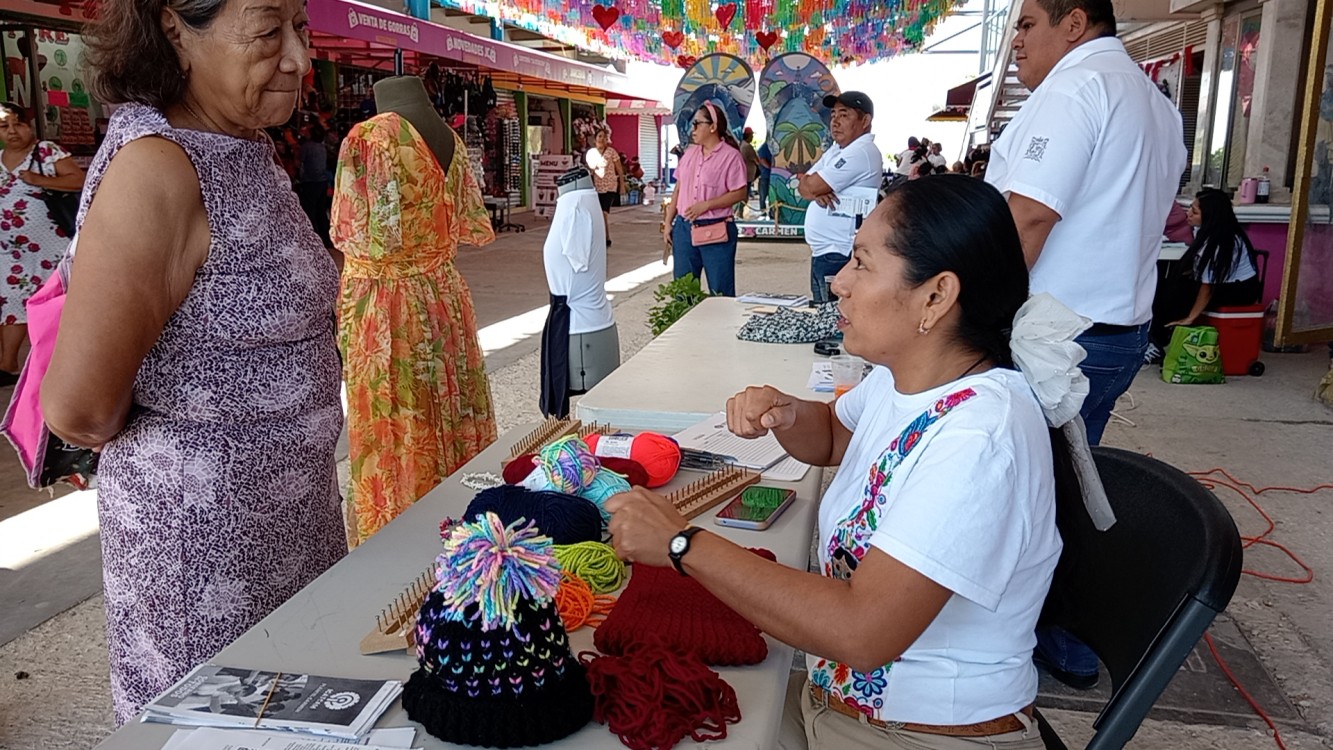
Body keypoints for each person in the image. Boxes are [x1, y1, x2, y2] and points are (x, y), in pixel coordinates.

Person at [608, 176, 1066, 750]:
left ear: (936, 296)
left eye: (861, 263)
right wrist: (786, 412)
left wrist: (682, 545)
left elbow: (863, 630)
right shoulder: (908, 377)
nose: (837, 281)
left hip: (923, 734)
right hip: (833, 702)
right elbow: (832, 436)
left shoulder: (979, 438)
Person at [42, 0, 347, 724]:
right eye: (268, 31)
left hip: (289, 530)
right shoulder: (157, 168)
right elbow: (79, 409)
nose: (299, 59)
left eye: (300, 29)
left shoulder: (239, 146)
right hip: (204, 564)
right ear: (176, 28)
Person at [985, 0, 1186, 690]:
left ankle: (1017, 635)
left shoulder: (1077, 85)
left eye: (1026, 24)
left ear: (1074, 24)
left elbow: (1030, 213)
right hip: (1113, 330)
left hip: (1053, 335)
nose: (1015, 42)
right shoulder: (1155, 103)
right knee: (1064, 485)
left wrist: (968, 307)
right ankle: (1062, 633)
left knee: (1018, 493)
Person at [333, 75, 497, 543]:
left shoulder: (370, 138)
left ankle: (399, 543)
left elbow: (359, 236)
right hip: (442, 295)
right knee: (448, 416)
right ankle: (462, 530)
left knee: (397, 430)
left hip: (388, 308)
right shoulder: (449, 138)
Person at [0, 101, 84, 383]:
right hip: (9, 250)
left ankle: (55, 364)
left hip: (50, 245)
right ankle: (7, 363)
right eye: (4, 126)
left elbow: (78, 180)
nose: (12, 131)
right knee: (12, 302)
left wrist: (38, 179)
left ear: (30, 125)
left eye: (18, 124)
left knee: (52, 301)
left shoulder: (46, 152)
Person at [1148, 189, 1261, 357]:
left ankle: (1157, 342)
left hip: (1239, 291)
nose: (1188, 213)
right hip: (1224, 286)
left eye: (1194, 211)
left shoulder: (1221, 241)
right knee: (1167, 285)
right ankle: (1156, 338)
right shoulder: (1208, 233)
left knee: (1174, 293)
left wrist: (1191, 318)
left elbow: (1207, 287)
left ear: (1209, 216)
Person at [799, 91, 883, 304]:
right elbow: (803, 186)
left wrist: (815, 187)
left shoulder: (861, 151)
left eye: (844, 115)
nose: (835, 121)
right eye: (833, 114)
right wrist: (813, 187)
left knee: (835, 321)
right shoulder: (837, 150)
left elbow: (813, 185)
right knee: (822, 317)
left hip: (839, 253)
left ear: (865, 120)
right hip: (826, 252)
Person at [662, 101, 747, 296]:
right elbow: (678, 189)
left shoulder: (731, 157)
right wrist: (668, 222)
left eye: (697, 124)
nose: (693, 129)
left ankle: (720, 326)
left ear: (713, 127)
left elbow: (740, 193)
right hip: (684, 227)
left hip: (716, 228)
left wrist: (707, 205)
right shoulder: (689, 154)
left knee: (720, 291)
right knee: (683, 290)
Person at [585, 128, 624, 246]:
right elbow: (591, 169)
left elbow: (619, 169)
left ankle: (606, 237)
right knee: (599, 213)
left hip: (610, 186)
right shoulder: (591, 153)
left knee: (604, 213)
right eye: (600, 136)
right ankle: (603, 236)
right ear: (595, 139)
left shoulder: (612, 152)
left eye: (604, 137)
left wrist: (622, 185)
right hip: (597, 187)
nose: (602, 139)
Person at [297, 123, 330, 247]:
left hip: (310, 182)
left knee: (310, 211)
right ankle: (326, 239)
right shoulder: (322, 147)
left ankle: (314, 240)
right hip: (322, 182)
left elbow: (299, 162)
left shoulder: (306, 147)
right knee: (321, 211)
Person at [740, 127, 760, 208]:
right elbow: (757, 160)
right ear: (748, 136)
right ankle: (740, 211)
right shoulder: (748, 147)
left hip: (744, 174)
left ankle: (740, 211)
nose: (752, 137)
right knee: (744, 196)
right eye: (752, 135)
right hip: (747, 175)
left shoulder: (742, 145)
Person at [756, 138, 773, 214]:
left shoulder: (772, 147)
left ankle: (771, 212)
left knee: (771, 195)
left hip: (770, 176)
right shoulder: (764, 147)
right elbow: (762, 160)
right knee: (763, 195)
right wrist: (771, 168)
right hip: (765, 176)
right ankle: (763, 211)